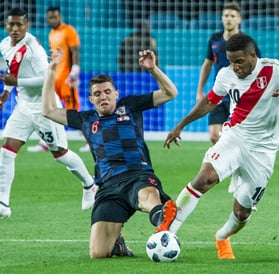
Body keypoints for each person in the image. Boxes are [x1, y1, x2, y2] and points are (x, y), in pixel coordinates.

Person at [164, 33, 279, 259]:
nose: (235, 67)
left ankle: (222, 236)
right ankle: (167, 233)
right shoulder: (225, 75)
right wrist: (180, 125)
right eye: (230, 61)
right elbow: (209, 102)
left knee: (242, 212)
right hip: (235, 136)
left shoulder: (274, 69)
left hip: (263, 150)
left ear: (252, 56)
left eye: (239, 61)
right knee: (203, 178)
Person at [42, 48, 178, 258]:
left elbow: (171, 92)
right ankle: (118, 245)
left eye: (107, 92)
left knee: (147, 195)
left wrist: (153, 69)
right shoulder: (85, 119)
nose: (103, 97)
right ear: (91, 99)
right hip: (108, 187)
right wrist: (51, 70)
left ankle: (161, 217)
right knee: (98, 253)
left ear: (116, 93)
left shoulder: (130, 106)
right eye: (97, 94)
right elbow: (49, 110)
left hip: (138, 175)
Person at [0, 8, 96, 217]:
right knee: (6, 150)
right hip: (23, 106)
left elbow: (46, 79)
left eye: (19, 24)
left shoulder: (32, 49)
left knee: (60, 154)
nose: (15, 29)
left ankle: (90, 185)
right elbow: (12, 71)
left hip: (45, 106)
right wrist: (6, 93)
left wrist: (16, 82)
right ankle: (3, 203)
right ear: (6, 25)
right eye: (11, 24)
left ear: (27, 26)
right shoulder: (5, 45)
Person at [196, 2, 261, 144]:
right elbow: (207, 64)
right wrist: (200, 90)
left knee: (243, 136)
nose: (229, 19)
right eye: (226, 15)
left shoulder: (247, 41)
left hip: (241, 95)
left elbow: (259, 67)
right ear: (222, 18)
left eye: (232, 16)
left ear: (239, 19)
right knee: (214, 135)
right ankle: (228, 160)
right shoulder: (215, 39)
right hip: (220, 94)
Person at [27, 6, 90, 153]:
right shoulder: (51, 34)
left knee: (73, 111)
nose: (52, 20)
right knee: (49, 109)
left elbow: (75, 50)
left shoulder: (68, 31)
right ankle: (45, 141)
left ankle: (90, 140)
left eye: (55, 17)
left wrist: (75, 69)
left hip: (68, 79)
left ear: (59, 16)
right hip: (55, 79)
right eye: (50, 17)